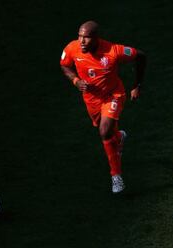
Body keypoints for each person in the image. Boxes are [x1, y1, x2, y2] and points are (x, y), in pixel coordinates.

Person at [60, 21, 146, 193]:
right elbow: (64, 65)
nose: (82, 41)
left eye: (87, 37)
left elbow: (141, 56)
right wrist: (76, 81)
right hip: (91, 100)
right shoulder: (72, 48)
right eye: (80, 36)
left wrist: (137, 85)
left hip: (113, 95)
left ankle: (116, 177)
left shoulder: (113, 51)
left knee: (104, 131)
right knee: (107, 132)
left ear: (96, 39)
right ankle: (118, 137)